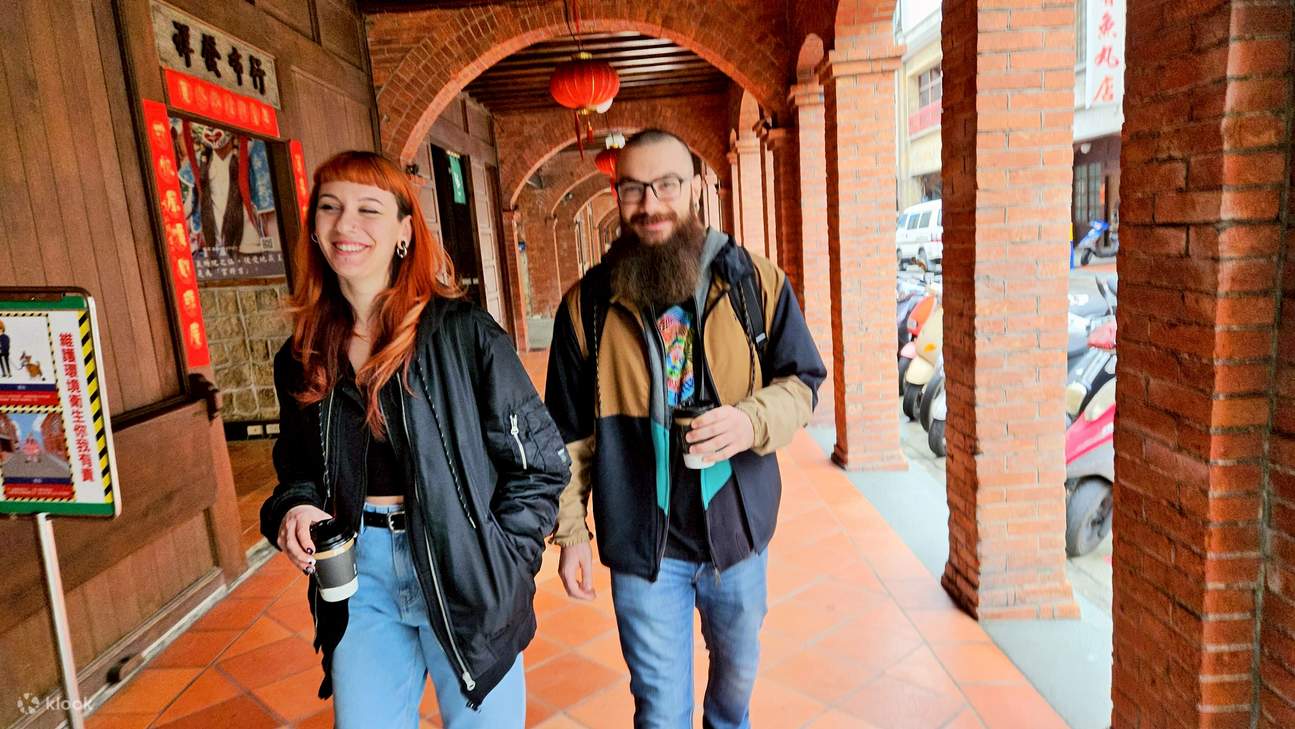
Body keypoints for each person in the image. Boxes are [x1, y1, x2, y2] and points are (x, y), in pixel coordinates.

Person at [260, 151, 569, 729]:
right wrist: (295, 507)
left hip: (464, 567)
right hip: (356, 574)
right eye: (330, 207)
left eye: (367, 210)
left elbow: (541, 464)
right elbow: (295, 468)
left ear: (405, 230)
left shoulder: (462, 334)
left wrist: (504, 563)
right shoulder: (303, 353)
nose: (344, 225)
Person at [544, 129, 826, 728]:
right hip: (646, 547)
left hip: (737, 539)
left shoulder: (754, 281)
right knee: (660, 710)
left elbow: (803, 381)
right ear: (616, 195)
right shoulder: (587, 307)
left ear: (695, 188)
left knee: (733, 697)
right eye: (633, 189)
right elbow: (565, 437)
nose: (651, 204)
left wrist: (750, 422)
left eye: (667, 184)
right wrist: (571, 533)